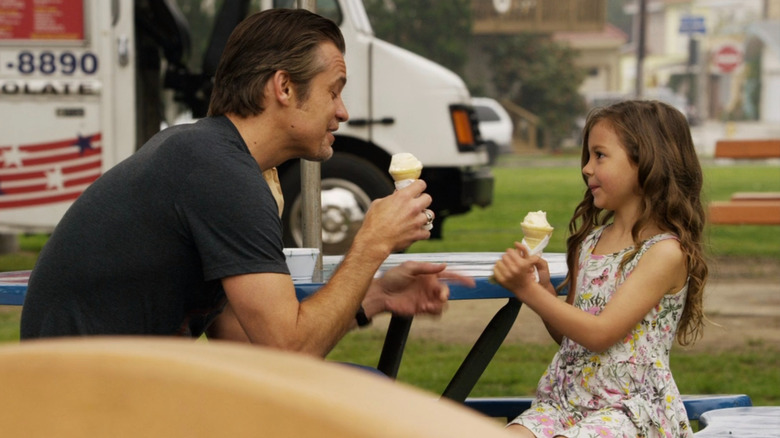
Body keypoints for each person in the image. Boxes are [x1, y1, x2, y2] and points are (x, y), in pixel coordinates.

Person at [20, 9, 474, 359]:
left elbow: (242, 337)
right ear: (284, 87)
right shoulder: (219, 171)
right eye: (333, 90)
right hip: (85, 404)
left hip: (98, 388)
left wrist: (375, 294)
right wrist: (370, 244)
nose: (343, 112)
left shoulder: (215, 158)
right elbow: (287, 351)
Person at [493, 100, 707, 437]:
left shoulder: (665, 253)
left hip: (630, 410)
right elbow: (571, 337)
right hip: (566, 403)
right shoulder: (589, 242)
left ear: (646, 162)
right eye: (588, 157)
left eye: (600, 155)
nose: (587, 168)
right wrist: (547, 292)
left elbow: (600, 333)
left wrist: (529, 292)